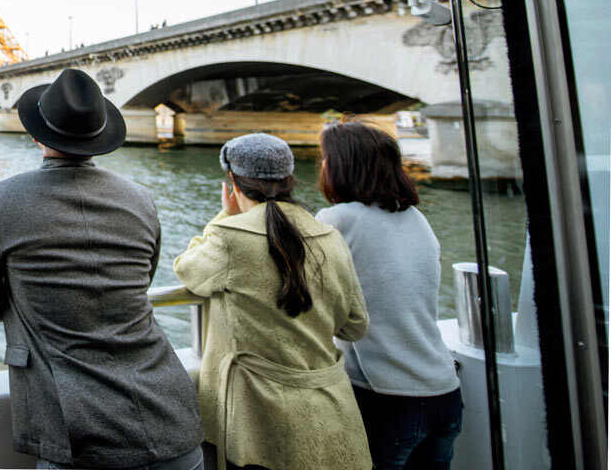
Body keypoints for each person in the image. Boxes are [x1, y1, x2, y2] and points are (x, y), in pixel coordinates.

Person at [0, 68, 205, 470]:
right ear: (98, 140)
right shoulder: (141, 199)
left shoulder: (2, 201)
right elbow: (141, 279)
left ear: (37, 135)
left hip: (78, 433)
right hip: (172, 419)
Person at [173, 132, 371, 470]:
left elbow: (188, 270)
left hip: (256, 418)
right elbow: (354, 326)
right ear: (289, 180)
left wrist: (225, 216)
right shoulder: (329, 235)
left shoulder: (230, 236)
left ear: (232, 181)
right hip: (330, 410)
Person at [315, 121, 463, 470]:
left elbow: (305, 291)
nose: (321, 167)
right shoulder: (416, 218)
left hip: (387, 397)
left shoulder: (337, 219)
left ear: (343, 166)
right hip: (444, 390)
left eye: (325, 159)